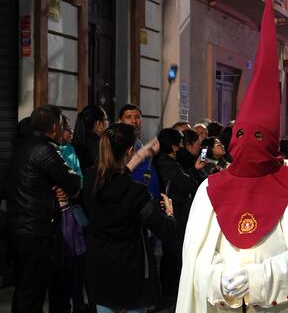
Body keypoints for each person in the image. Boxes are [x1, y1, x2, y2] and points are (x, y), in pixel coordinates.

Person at [176, 0, 288, 311]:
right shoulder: (209, 191)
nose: (248, 142)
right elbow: (195, 262)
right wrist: (215, 279)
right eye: (241, 135)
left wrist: (260, 278)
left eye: (257, 136)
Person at [82, 123, 177, 313]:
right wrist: (170, 212)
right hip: (130, 270)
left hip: (99, 265)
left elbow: (116, 177)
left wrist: (140, 156)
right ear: (129, 150)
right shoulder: (137, 193)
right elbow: (165, 229)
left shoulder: (91, 177)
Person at [6, 105, 82, 313]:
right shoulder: (46, 149)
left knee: (24, 289)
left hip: (19, 227)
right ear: (55, 127)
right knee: (32, 291)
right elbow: (73, 182)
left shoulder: (21, 147)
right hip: (36, 231)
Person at [154, 128, 205, 310]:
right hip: (174, 213)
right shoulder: (168, 164)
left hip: (174, 212)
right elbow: (187, 184)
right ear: (175, 147)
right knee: (173, 255)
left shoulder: (167, 161)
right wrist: (194, 170)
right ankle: (171, 294)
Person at [48, 114, 88, 313]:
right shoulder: (50, 151)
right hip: (56, 214)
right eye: (67, 129)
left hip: (69, 211)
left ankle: (77, 303)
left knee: (74, 261)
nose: (70, 133)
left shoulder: (70, 150)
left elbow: (78, 180)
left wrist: (71, 189)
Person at [118, 104, 161, 201]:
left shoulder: (140, 144)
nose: (134, 121)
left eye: (137, 117)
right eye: (129, 117)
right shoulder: (118, 144)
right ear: (120, 121)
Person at [73, 105, 109, 174]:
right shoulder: (100, 145)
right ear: (99, 123)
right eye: (106, 119)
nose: (108, 123)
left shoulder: (75, 142)